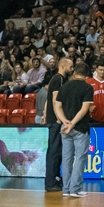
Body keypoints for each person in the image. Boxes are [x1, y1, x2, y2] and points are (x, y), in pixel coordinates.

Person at [55, 59, 93, 197]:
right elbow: (84, 110)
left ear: (75, 72)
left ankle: (66, 189)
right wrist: (73, 123)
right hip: (80, 128)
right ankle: (75, 189)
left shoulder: (64, 86)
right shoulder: (88, 88)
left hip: (65, 128)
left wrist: (66, 122)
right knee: (80, 158)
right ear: (87, 76)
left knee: (67, 158)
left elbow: (57, 106)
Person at [42, 57, 66, 192]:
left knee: (54, 151)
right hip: (56, 121)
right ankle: (51, 182)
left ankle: (54, 179)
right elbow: (55, 98)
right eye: (70, 66)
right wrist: (58, 117)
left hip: (52, 119)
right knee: (55, 151)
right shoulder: (59, 79)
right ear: (63, 66)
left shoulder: (54, 79)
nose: (72, 69)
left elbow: (48, 99)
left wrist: (45, 113)